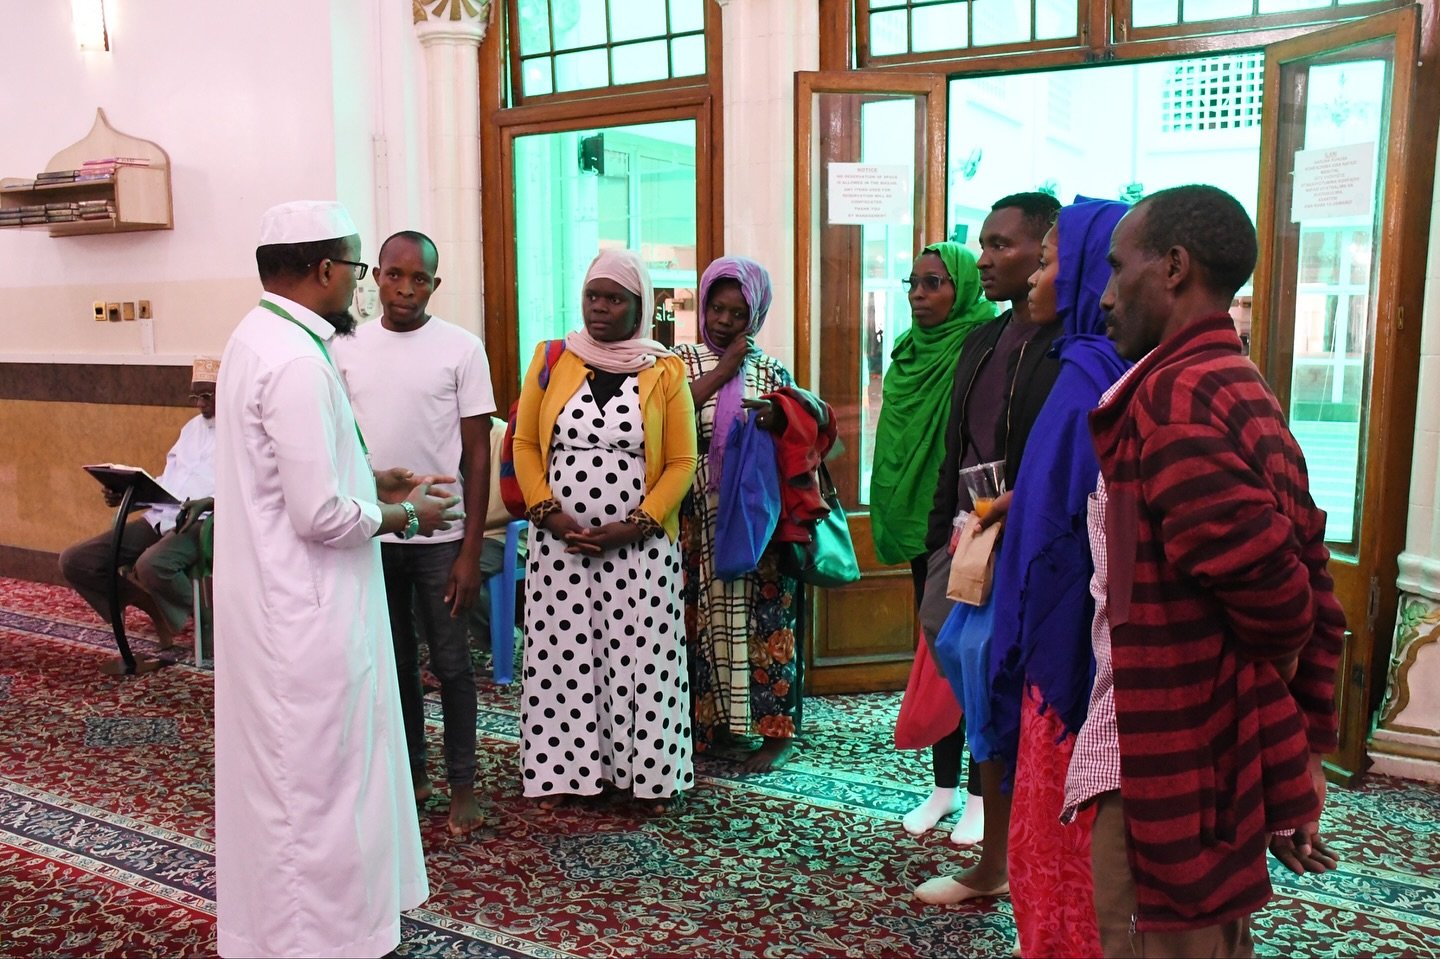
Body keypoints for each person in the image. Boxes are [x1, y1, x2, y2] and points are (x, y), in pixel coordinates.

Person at [1070, 185, 1344, 956]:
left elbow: (1288, 606)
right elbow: (1315, 581)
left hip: (1178, 759)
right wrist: (1300, 750)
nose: (1104, 294)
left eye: (1118, 267)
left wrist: (1267, 727)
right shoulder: (1231, 383)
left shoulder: (1177, 402)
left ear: (1175, 267)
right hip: (1202, 755)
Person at [213, 200, 462, 958]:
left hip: (276, 608)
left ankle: (291, 933)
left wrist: (366, 474)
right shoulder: (294, 359)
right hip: (306, 616)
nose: (362, 288)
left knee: (289, 785)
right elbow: (319, 513)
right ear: (323, 269)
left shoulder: (256, 338)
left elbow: (291, 476)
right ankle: (321, 939)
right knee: (318, 788)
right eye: (358, 270)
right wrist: (406, 513)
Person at [984, 198, 1130, 957]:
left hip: (1064, 659)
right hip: (1071, 647)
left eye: (1047, 261)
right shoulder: (1088, 365)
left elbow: (1065, 535)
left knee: (1056, 834)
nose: (1035, 276)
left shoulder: (1085, 382)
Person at [911, 193, 1065, 904]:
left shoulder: (1075, 347)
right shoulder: (984, 339)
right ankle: (996, 854)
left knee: (1018, 699)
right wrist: (945, 525)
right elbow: (958, 445)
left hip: (1032, 544)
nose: (986, 257)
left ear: (1048, 250)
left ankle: (1011, 857)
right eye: (984, 243)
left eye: (1003, 244)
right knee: (968, 672)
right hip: (970, 535)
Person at [511, 248, 698, 814]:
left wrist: (635, 524)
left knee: (640, 658)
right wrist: (548, 511)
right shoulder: (552, 358)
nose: (599, 308)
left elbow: (682, 462)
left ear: (639, 306)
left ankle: (646, 778)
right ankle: (565, 775)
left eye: (614, 299)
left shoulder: (664, 371)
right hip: (559, 544)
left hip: (638, 549)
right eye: (593, 295)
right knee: (565, 656)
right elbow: (523, 443)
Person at [333, 229, 496, 838]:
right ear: (375, 276)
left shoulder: (460, 348)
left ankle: (462, 786)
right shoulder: (344, 347)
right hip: (374, 534)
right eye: (394, 275)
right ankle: (413, 775)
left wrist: (470, 549)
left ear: (435, 284)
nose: (405, 288)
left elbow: (477, 457)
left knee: (452, 666)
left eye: (419, 278)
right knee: (393, 663)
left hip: (440, 539)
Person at [675, 255, 828, 772]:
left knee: (764, 621)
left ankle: (773, 733)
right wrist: (722, 371)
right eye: (716, 309)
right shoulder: (681, 362)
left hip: (755, 517)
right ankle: (704, 726)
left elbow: (803, 434)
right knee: (694, 620)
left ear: (756, 315)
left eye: (737, 314)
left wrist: (775, 418)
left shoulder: (770, 370)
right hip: (694, 516)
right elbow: (669, 416)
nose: (723, 321)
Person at [59, 356, 220, 651]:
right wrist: (131, 495)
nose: (200, 404)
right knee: (76, 560)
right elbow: (171, 478)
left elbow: (250, 490)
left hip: (203, 521)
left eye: (207, 396)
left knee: (152, 565)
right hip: (162, 515)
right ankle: (149, 604)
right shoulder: (192, 429)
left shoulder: (244, 433)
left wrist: (211, 502)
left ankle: (208, 620)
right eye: (195, 396)